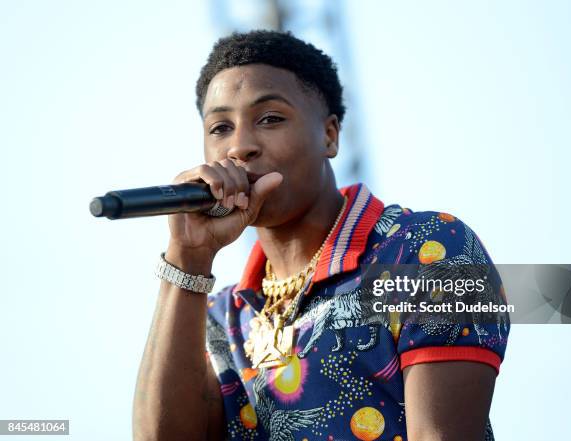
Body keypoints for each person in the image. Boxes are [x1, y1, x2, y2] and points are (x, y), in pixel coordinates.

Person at [132, 30, 510, 441]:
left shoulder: (425, 249)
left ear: (329, 135)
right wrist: (188, 258)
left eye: (270, 119)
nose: (239, 147)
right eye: (220, 127)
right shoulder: (221, 317)